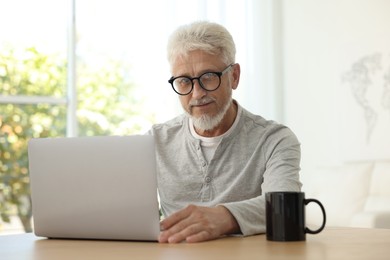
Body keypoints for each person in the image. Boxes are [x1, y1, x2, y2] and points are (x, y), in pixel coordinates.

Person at [148, 21, 302, 243]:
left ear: (234, 76)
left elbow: (285, 206)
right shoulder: (154, 141)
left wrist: (224, 217)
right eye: (184, 81)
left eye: (209, 76)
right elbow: (130, 211)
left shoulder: (275, 140)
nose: (197, 93)